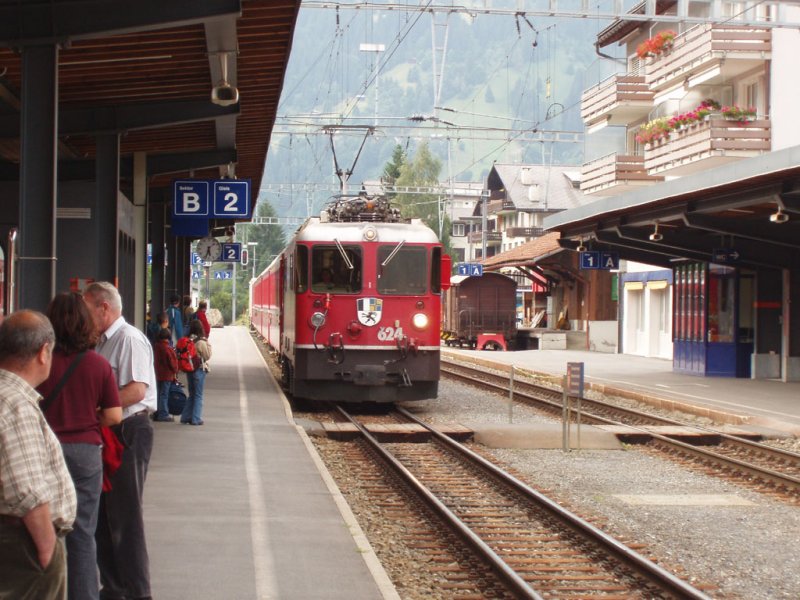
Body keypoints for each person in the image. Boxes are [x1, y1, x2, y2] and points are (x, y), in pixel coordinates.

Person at [37, 293, 123, 600]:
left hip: (44, 452)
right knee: (83, 534)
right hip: (85, 454)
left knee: (42, 531)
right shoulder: (97, 365)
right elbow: (114, 415)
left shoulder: (39, 362)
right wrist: (87, 415)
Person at [83, 281, 157, 600]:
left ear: (104, 308)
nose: (83, 318)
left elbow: (136, 390)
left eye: (87, 310)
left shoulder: (128, 340)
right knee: (103, 514)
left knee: (125, 515)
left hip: (129, 431)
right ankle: (113, 586)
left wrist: (95, 408)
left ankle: (137, 591)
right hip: (109, 431)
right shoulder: (100, 342)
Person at [0, 310, 77, 600]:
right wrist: (47, 550)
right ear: (44, 352)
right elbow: (27, 490)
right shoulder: (17, 405)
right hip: (23, 546)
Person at [181, 319, 212, 426]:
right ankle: (196, 418)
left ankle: (185, 417)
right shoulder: (201, 342)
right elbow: (207, 356)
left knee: (191, 394)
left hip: (189, 370)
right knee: (198, 395)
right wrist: (208, 344)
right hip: (198, 370)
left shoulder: (188, 340)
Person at [153, 327, 178, 422]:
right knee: (164, 394)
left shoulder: (156, 346)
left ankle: (156, 412)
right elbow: (172, 363)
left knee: (159, 393)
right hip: (167, 375)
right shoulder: (167, 348)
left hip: (158, 373)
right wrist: (175, 370)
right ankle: (163, 414)